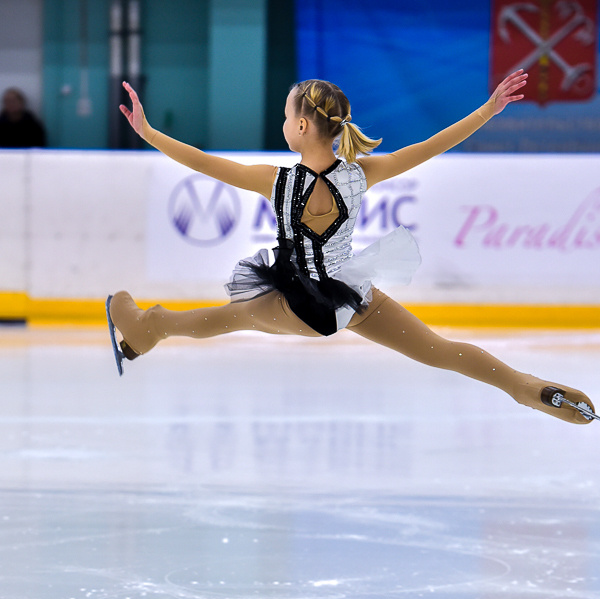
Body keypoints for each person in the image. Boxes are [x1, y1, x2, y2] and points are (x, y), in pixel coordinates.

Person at [107, 73, 597, 424]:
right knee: (441, 351)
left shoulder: (275, 182)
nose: (283, 120)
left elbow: (202, 163)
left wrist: (149, 134)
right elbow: (432, 145)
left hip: (301, 305)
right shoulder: (360, 174)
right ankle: (525, 388)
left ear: (301, 127)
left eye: (285, 114)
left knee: (221, 319)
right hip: (352, 296)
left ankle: (147, 327)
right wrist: (488, 110)